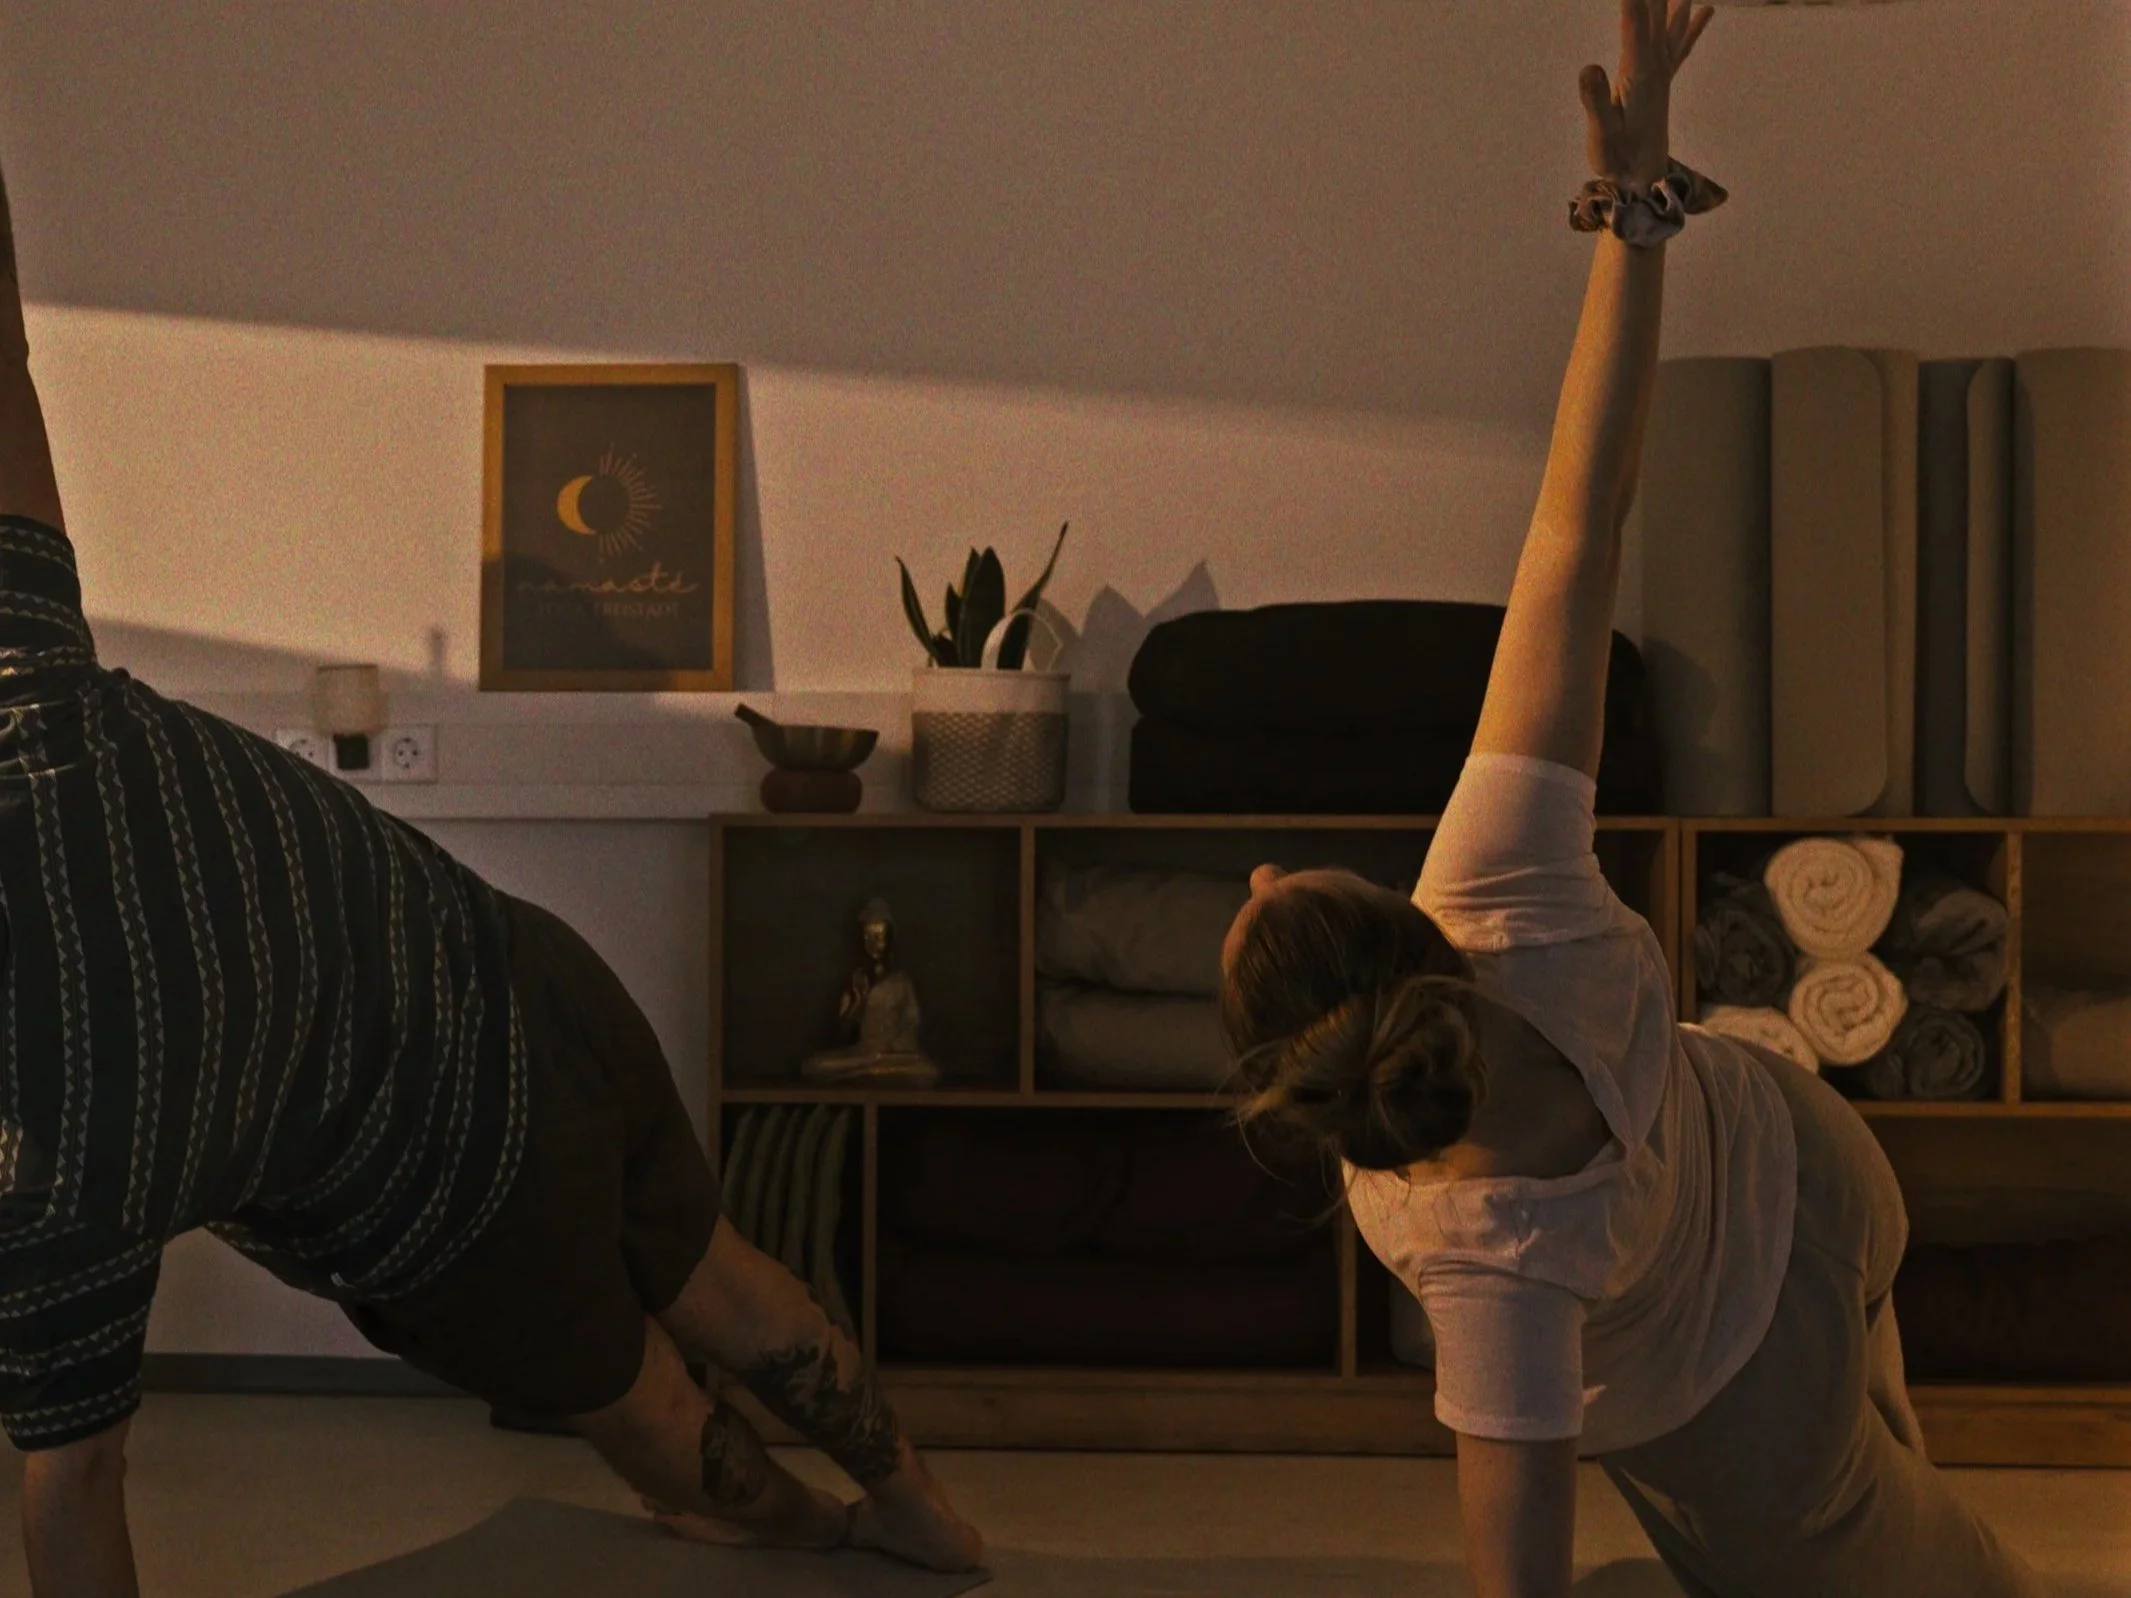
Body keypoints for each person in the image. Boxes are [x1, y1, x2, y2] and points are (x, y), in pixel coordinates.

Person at [0, 160, 982, 1594]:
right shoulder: (29, 698)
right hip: (523, 961)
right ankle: (927, 1513)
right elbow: (6, 357)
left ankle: (798, 1526)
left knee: (659, 1422)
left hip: (459, 1196)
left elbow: (76, 1489)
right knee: (721, 1269)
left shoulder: (48, 1158)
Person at [1218, 5, 2044, 1596]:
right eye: (1279, 883)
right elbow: (1571, 530)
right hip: (1813, 1154)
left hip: (1742, 1363)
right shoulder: (1492, 879)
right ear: (1400, 936)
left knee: (1950, 1566)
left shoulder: (1478, 1259)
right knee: (1897, 1495)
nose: (1258, 862)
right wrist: (1633, 208)